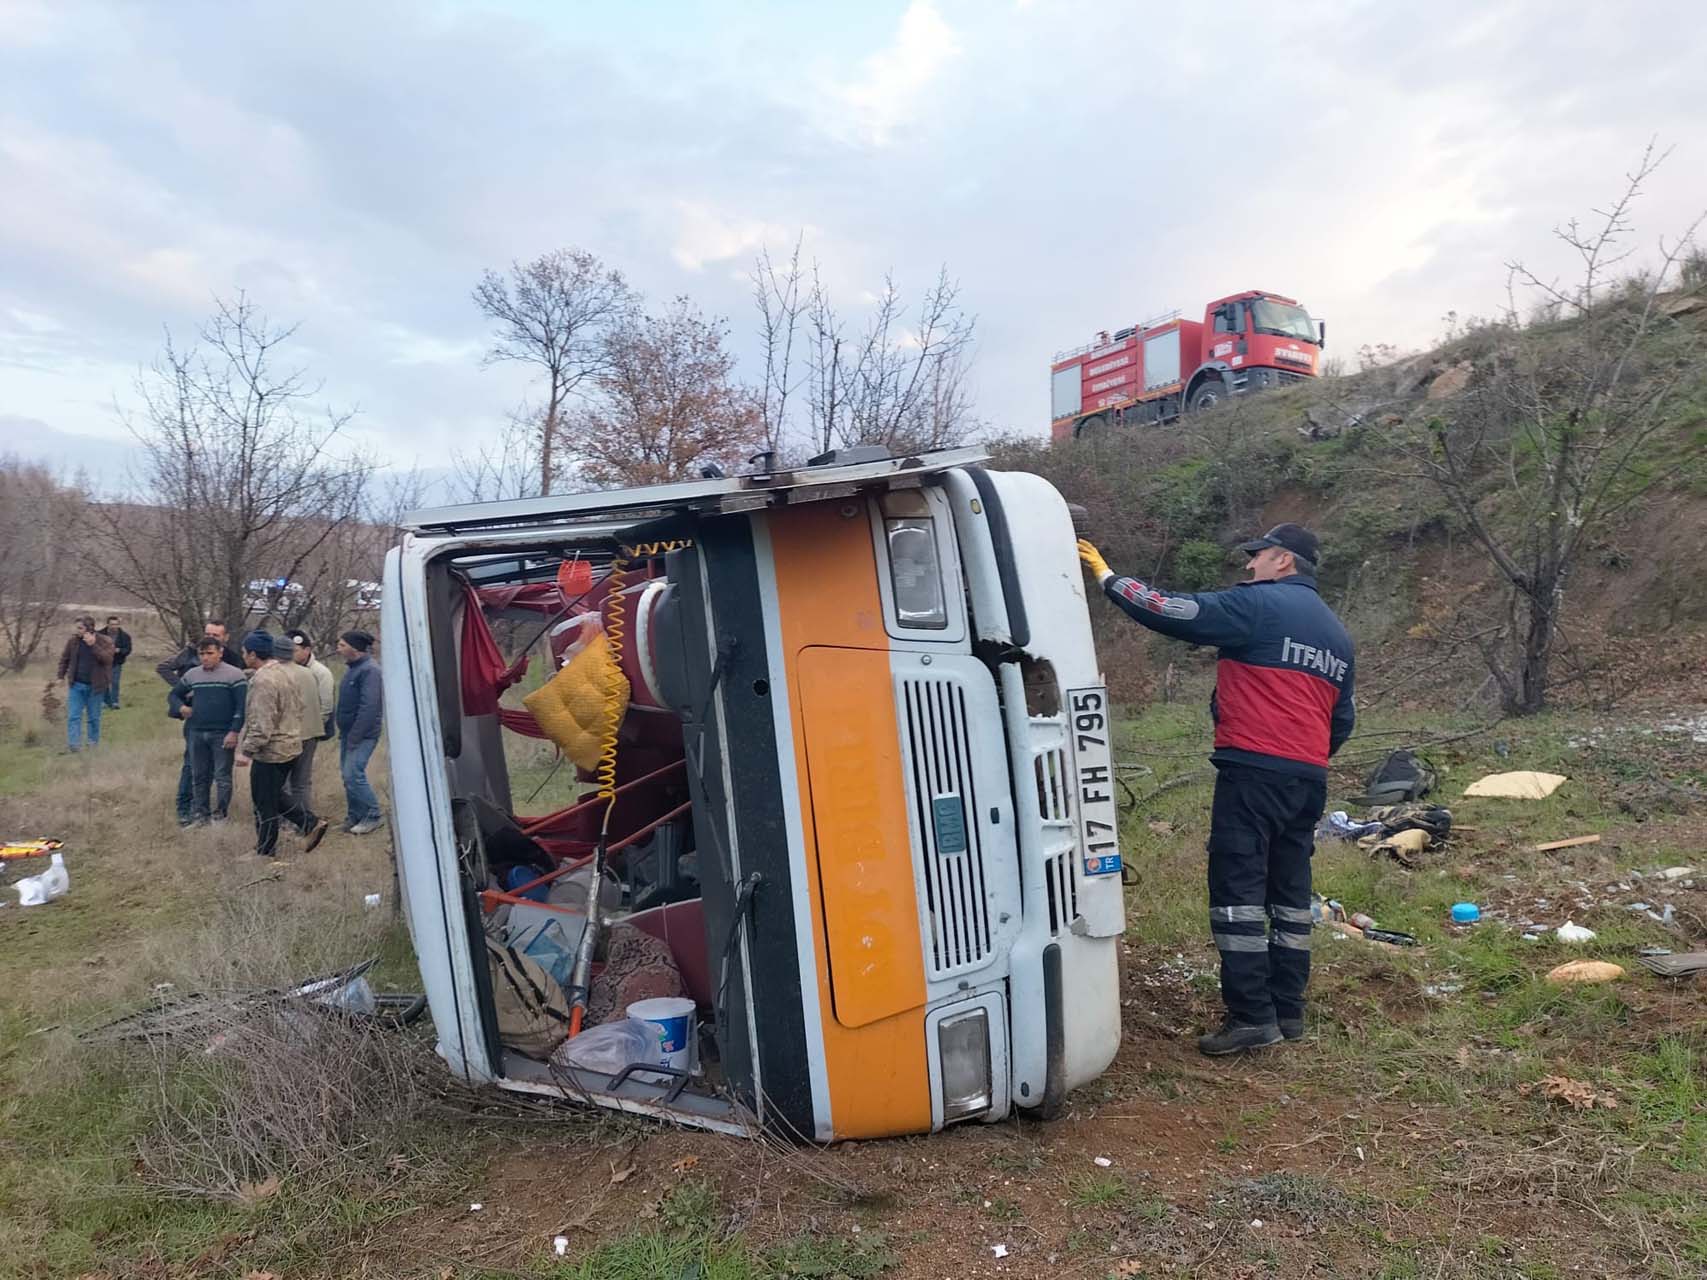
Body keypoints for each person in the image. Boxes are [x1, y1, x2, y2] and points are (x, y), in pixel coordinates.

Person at [1077, 523, 1355, 1056]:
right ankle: (1288, 1011)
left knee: (1238, 892)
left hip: (1254, 773)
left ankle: (1252, 1017)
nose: (1248, 567)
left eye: (1258, 558)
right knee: (1291, 896)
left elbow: (1175, 611)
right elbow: (1341, 720)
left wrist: (1110, 579)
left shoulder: (1260, 606)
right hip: (1307, 779)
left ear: (1283, 562)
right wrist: (1306, 758)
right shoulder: (1337, 636)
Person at [236, 630, 329, 859]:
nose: (243, 655)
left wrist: (247, 750)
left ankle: (266, 851)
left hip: (272, 750)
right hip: (291, 744)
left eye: (244, 652)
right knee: (272, 796)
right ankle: (309, 823)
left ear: (253, 654)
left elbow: (261, 722)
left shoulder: (263, 680)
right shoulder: (286, 672)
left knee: (264, 803)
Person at [158, 620, 245, 825]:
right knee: (198, 775)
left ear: (221, 651)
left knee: (222, 776)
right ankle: (198, 814)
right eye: (202, 654)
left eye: (210, 653)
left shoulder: (234, 673)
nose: (205, 657)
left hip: (222, 732)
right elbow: (173, 695)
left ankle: (220, 816)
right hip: (196, 731)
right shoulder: (192, 674)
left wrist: (234, 731)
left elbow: (241, 707)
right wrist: (181, 707)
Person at [334, 629, 385, 835]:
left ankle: (373, 815)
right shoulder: (353, 668)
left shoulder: (370, 671)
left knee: (353, 774)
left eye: (342, 645)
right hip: (349, 733)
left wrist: (356, 735)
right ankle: (355, 816)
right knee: (348, 777)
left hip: (362, 734)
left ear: (354, 648)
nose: (338, 648)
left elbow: (369, 707)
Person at [279, 630, 327, 815]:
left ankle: (295, 819)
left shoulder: (282, 674)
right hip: (308, 733)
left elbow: (326, 705)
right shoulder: (307, 673)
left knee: (290, 782)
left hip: (292, 734)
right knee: (301, 782)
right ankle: (305, 820)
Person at [57, 616, 115, 751]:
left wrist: (93, 645)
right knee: (73, 716)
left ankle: (92, 744)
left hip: (96, 687)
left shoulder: (104, 641)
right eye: (76, 627)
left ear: (90, 628)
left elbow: (107, 660)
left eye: (80, 628)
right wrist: (60, 676)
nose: (77, 630)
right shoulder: (73, 642)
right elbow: (64, 659)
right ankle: (74, 746)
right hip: (76, 685)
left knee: (94, 718)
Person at [98, 615, 133, 709]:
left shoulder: (125, 636)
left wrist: (119, 650)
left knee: (115, 682)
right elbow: (94, 647)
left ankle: (114, 702)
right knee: (104, 682)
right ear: (107, 624)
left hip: (116, 662)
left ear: (119, 625)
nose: (114, 627)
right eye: (112, 624)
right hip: (102, 662)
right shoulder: (99, 634)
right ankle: (104, 702)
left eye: (116, 624)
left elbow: (128, 649)